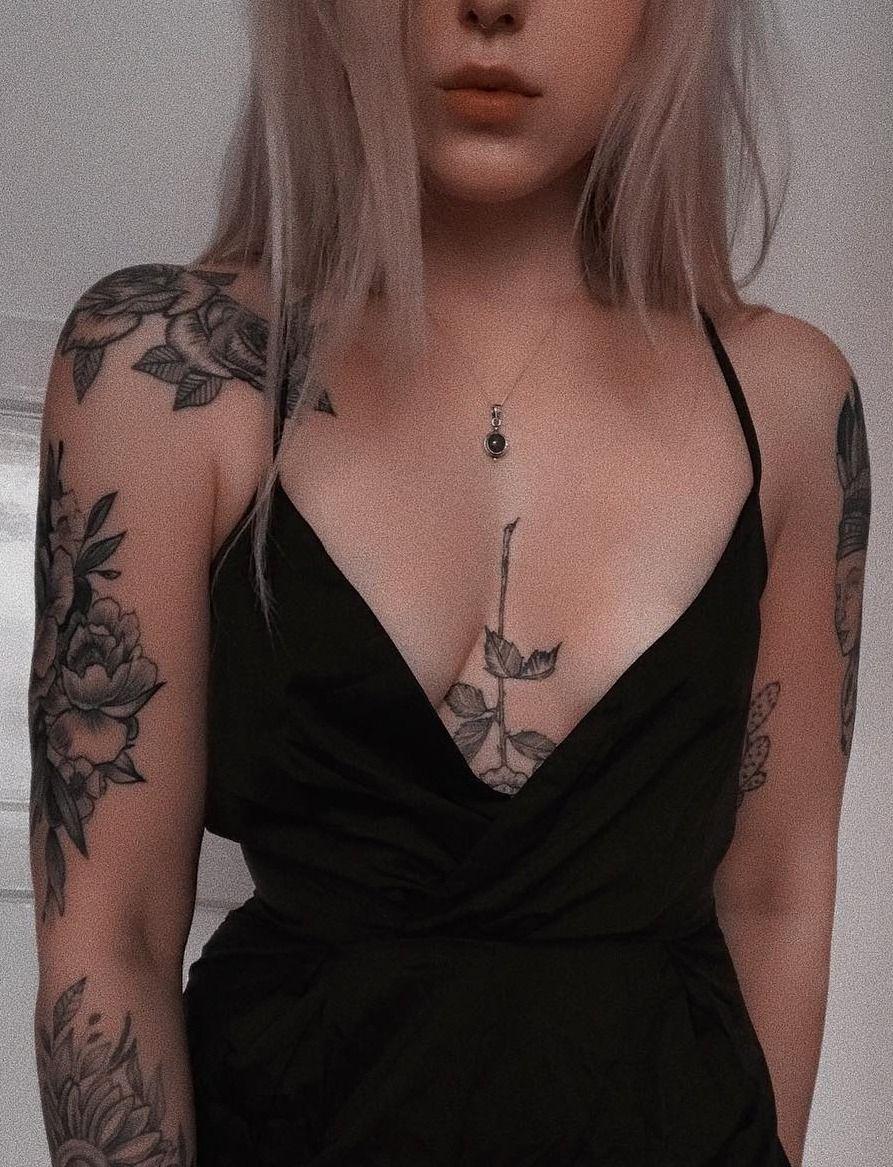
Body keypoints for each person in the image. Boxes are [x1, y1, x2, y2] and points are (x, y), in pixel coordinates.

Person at [28, 2, 872, 1165]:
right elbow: (109, 934)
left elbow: (776, 893)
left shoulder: (786, 405)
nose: (492, 6)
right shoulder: (160, 369)